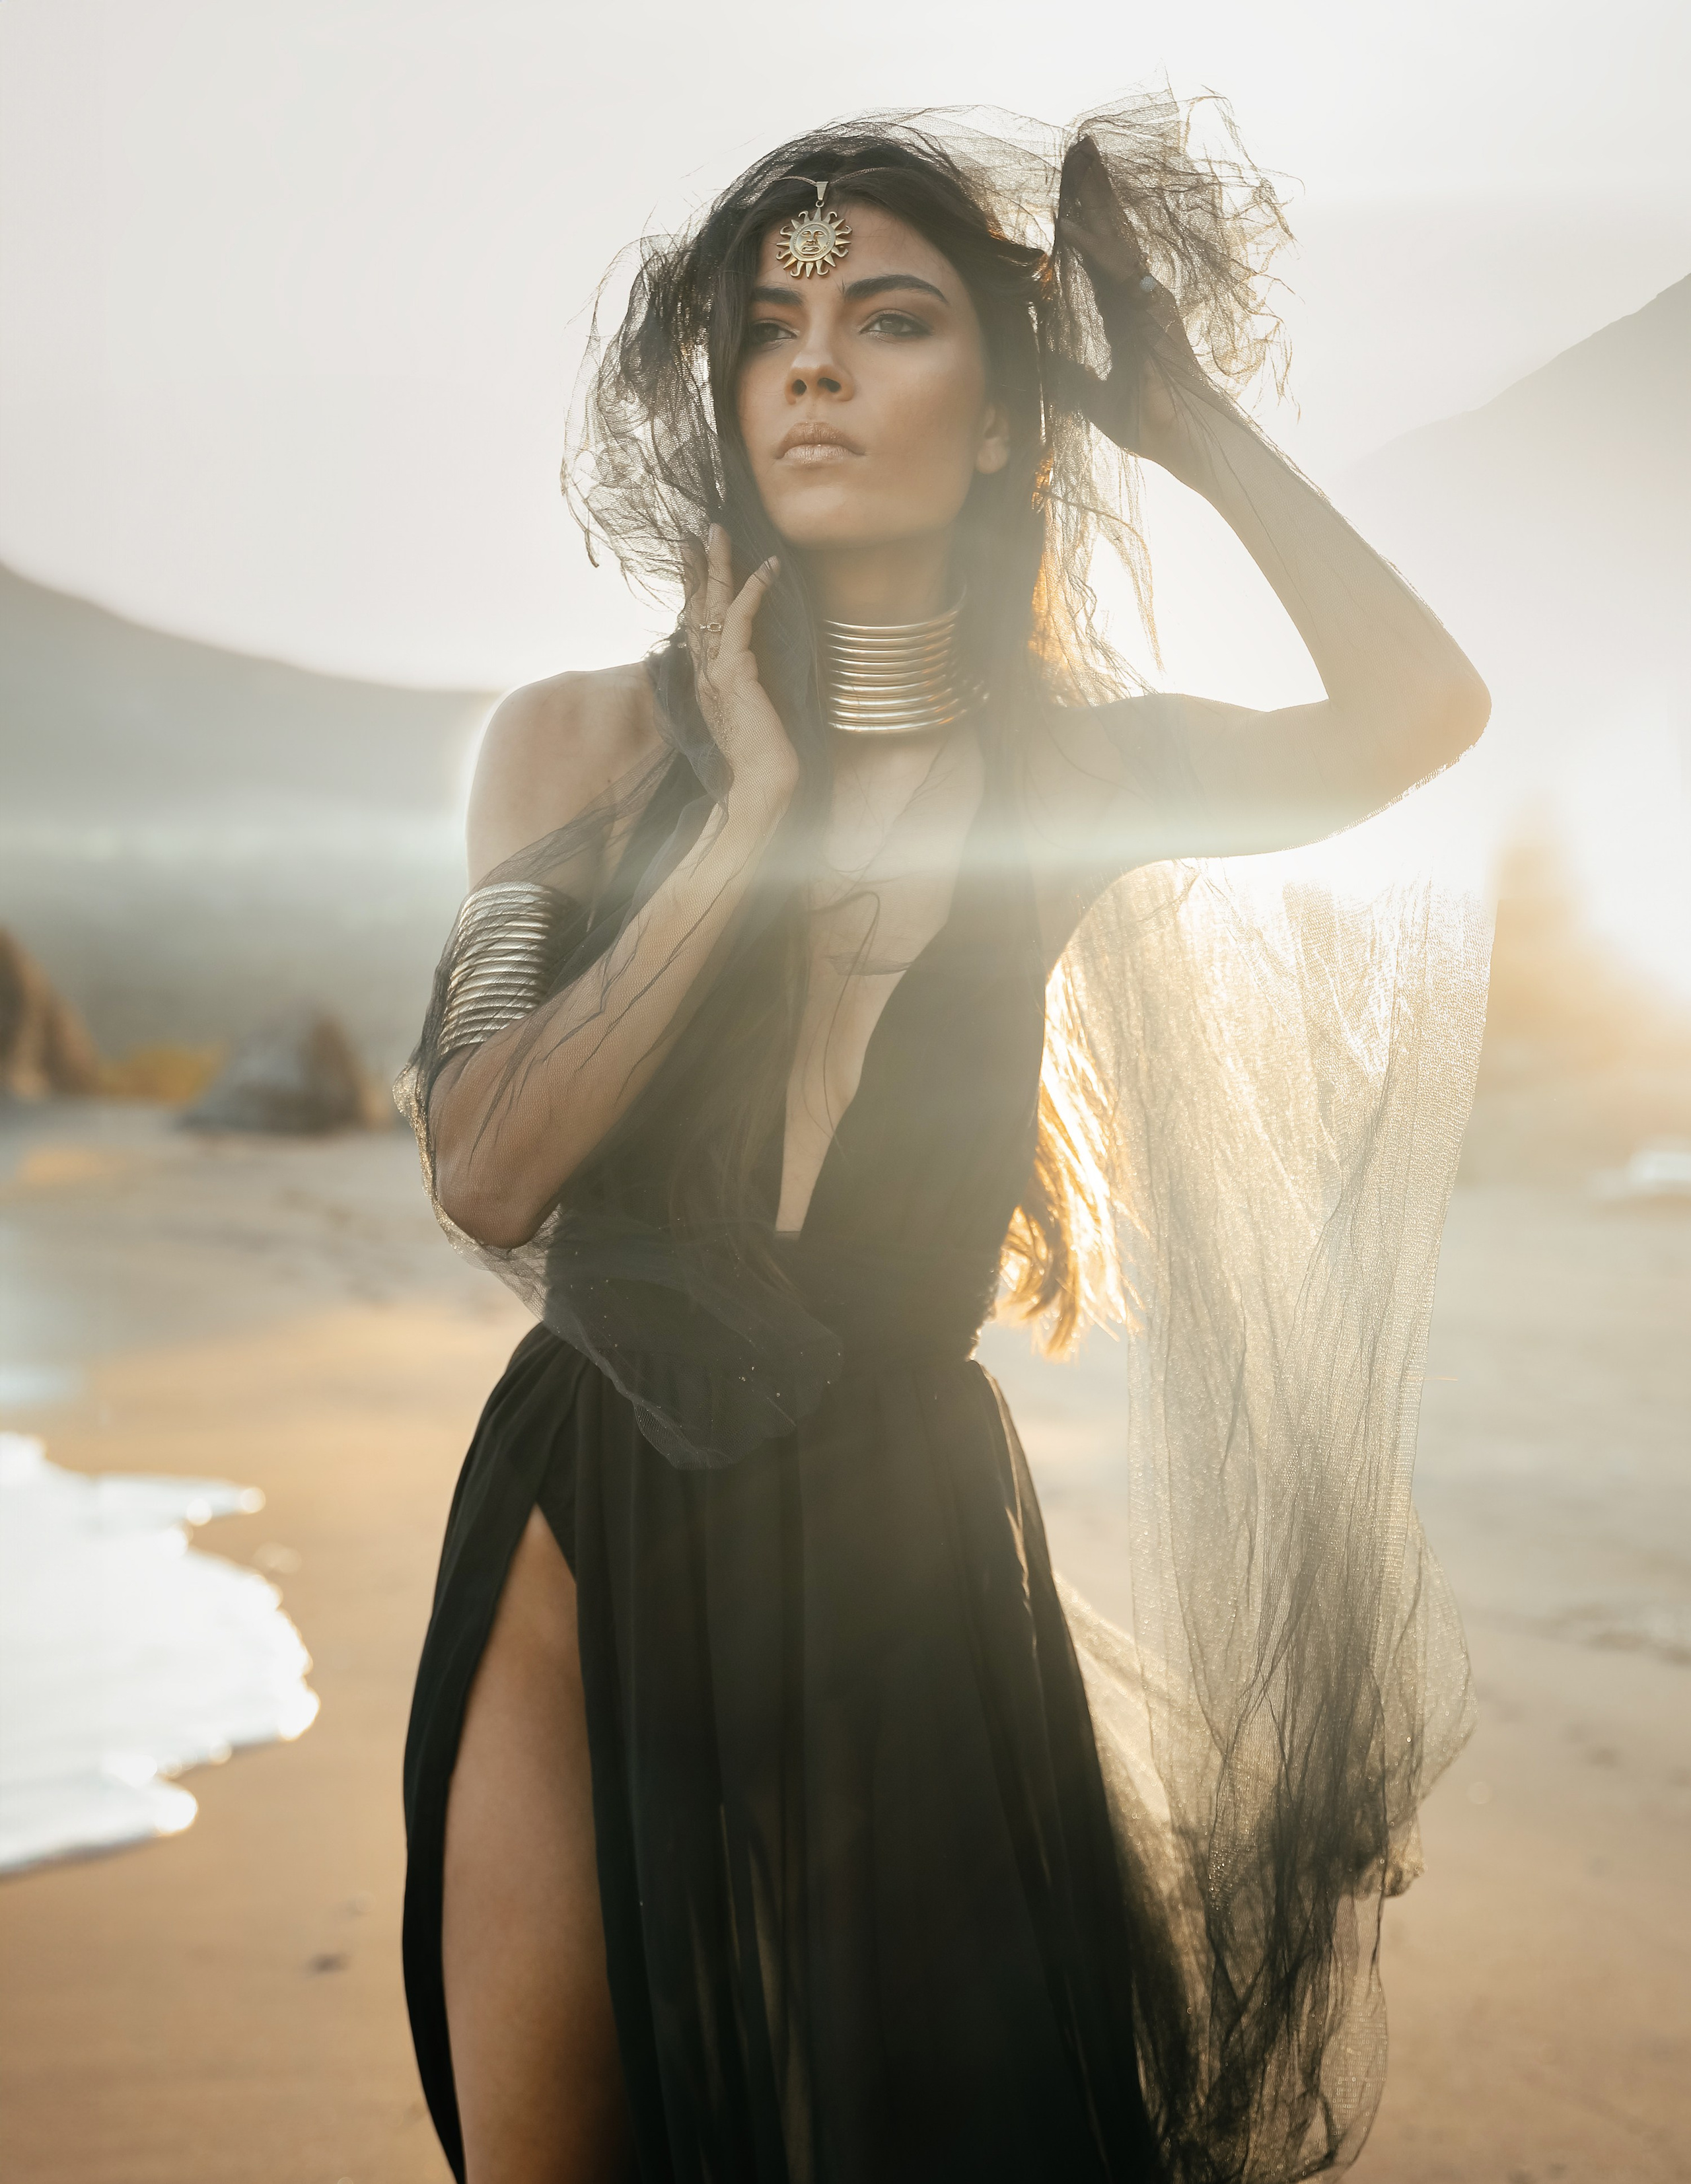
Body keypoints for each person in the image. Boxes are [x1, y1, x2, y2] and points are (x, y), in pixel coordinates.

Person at [398, 98, 1490, 2184]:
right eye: (771, 326)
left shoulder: (1066, 776)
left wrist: (1184, 422)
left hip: (897, 1558)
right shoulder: (572, 743)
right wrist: (743, 826)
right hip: (578, 1528)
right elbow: (486, 1167)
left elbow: (1417, 712)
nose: (813, 359)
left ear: (1000, 425)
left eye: (890, 318)